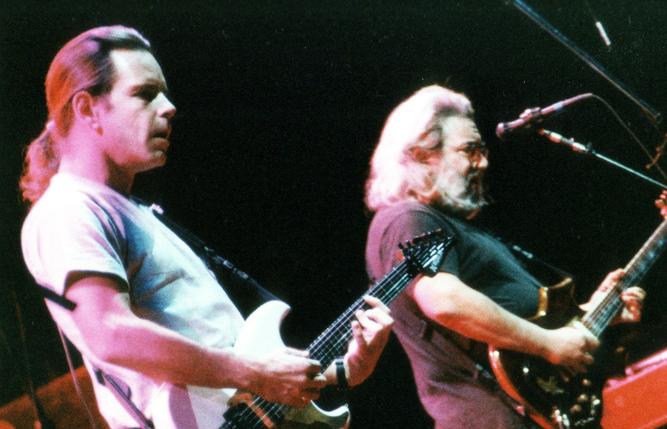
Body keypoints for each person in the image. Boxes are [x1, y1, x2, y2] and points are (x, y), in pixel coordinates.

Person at [19, 25, 393, 429]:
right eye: (145, 94)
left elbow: (233, 367)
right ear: (87, 109)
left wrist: (348, 368)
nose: (169, 107)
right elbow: (109, 332)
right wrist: (253, 373)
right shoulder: (69, 208)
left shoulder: (136, 211)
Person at [363, 85, 645, 428]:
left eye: (482, 150)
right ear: (423, 155)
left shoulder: (452, 226)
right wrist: (549, 343)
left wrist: (593, 313)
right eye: (470, 150)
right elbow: (444, 301)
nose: (483, 162)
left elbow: (513, 319)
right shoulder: (406, 218)